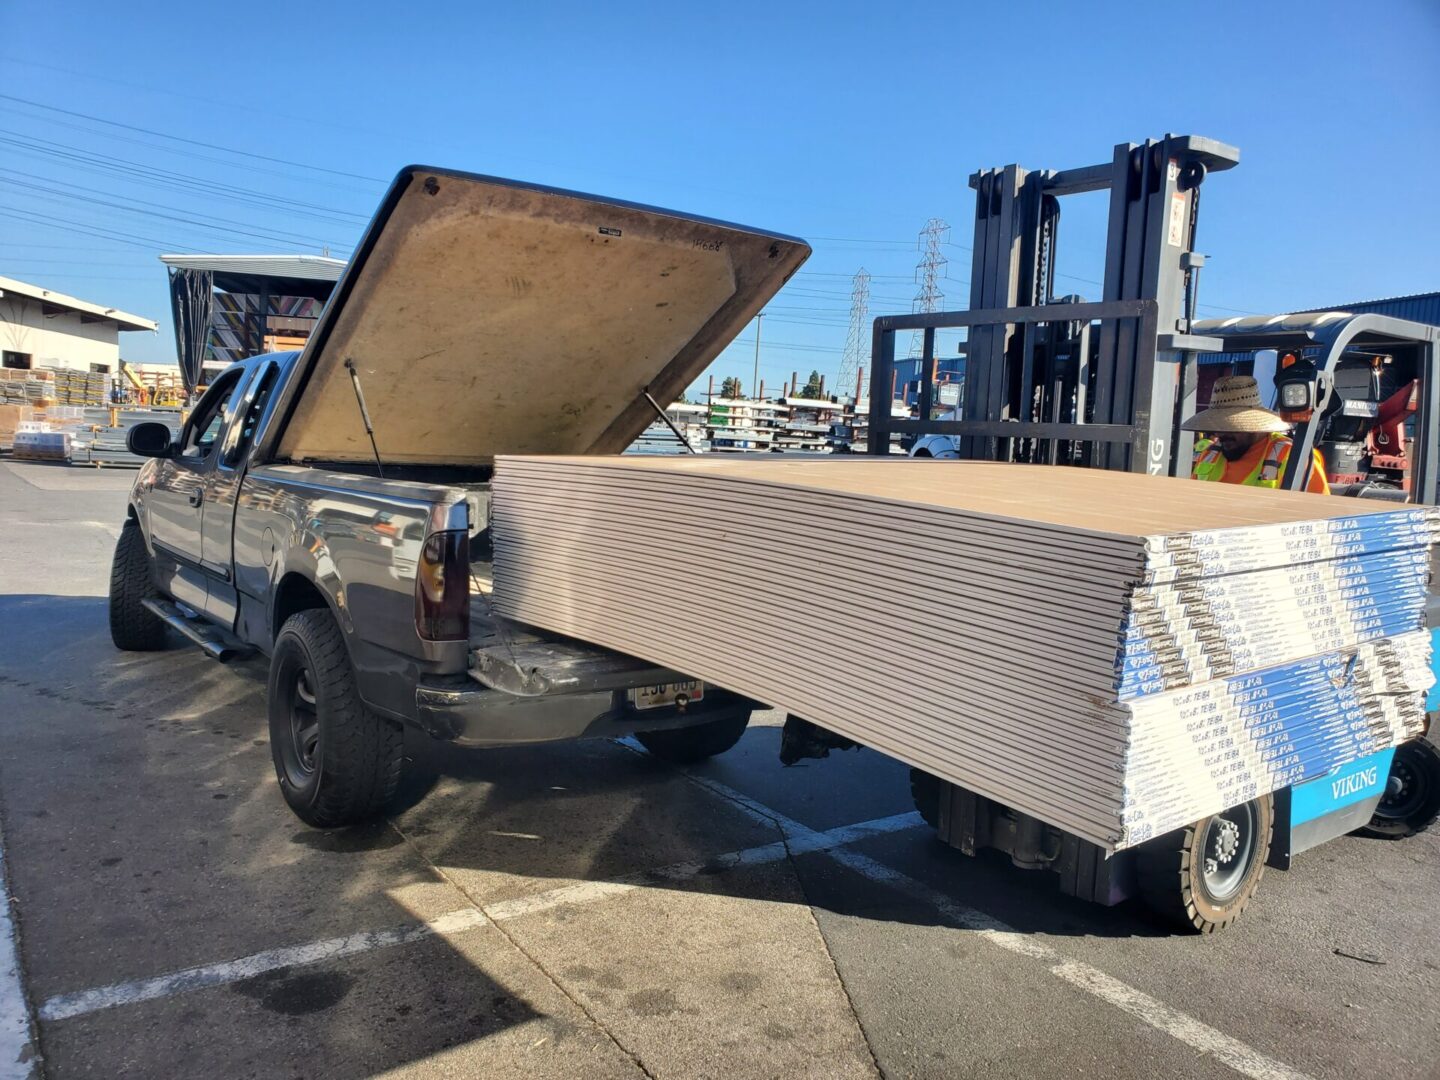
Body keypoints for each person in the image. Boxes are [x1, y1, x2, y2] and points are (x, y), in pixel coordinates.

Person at [1182, 375, 1330, 494]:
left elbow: (1320, 514)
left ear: (1253, 425)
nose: (1220, 434)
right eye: (1218, 426)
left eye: (1230, 427)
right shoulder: (1209, 455)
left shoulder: (1293, 457)